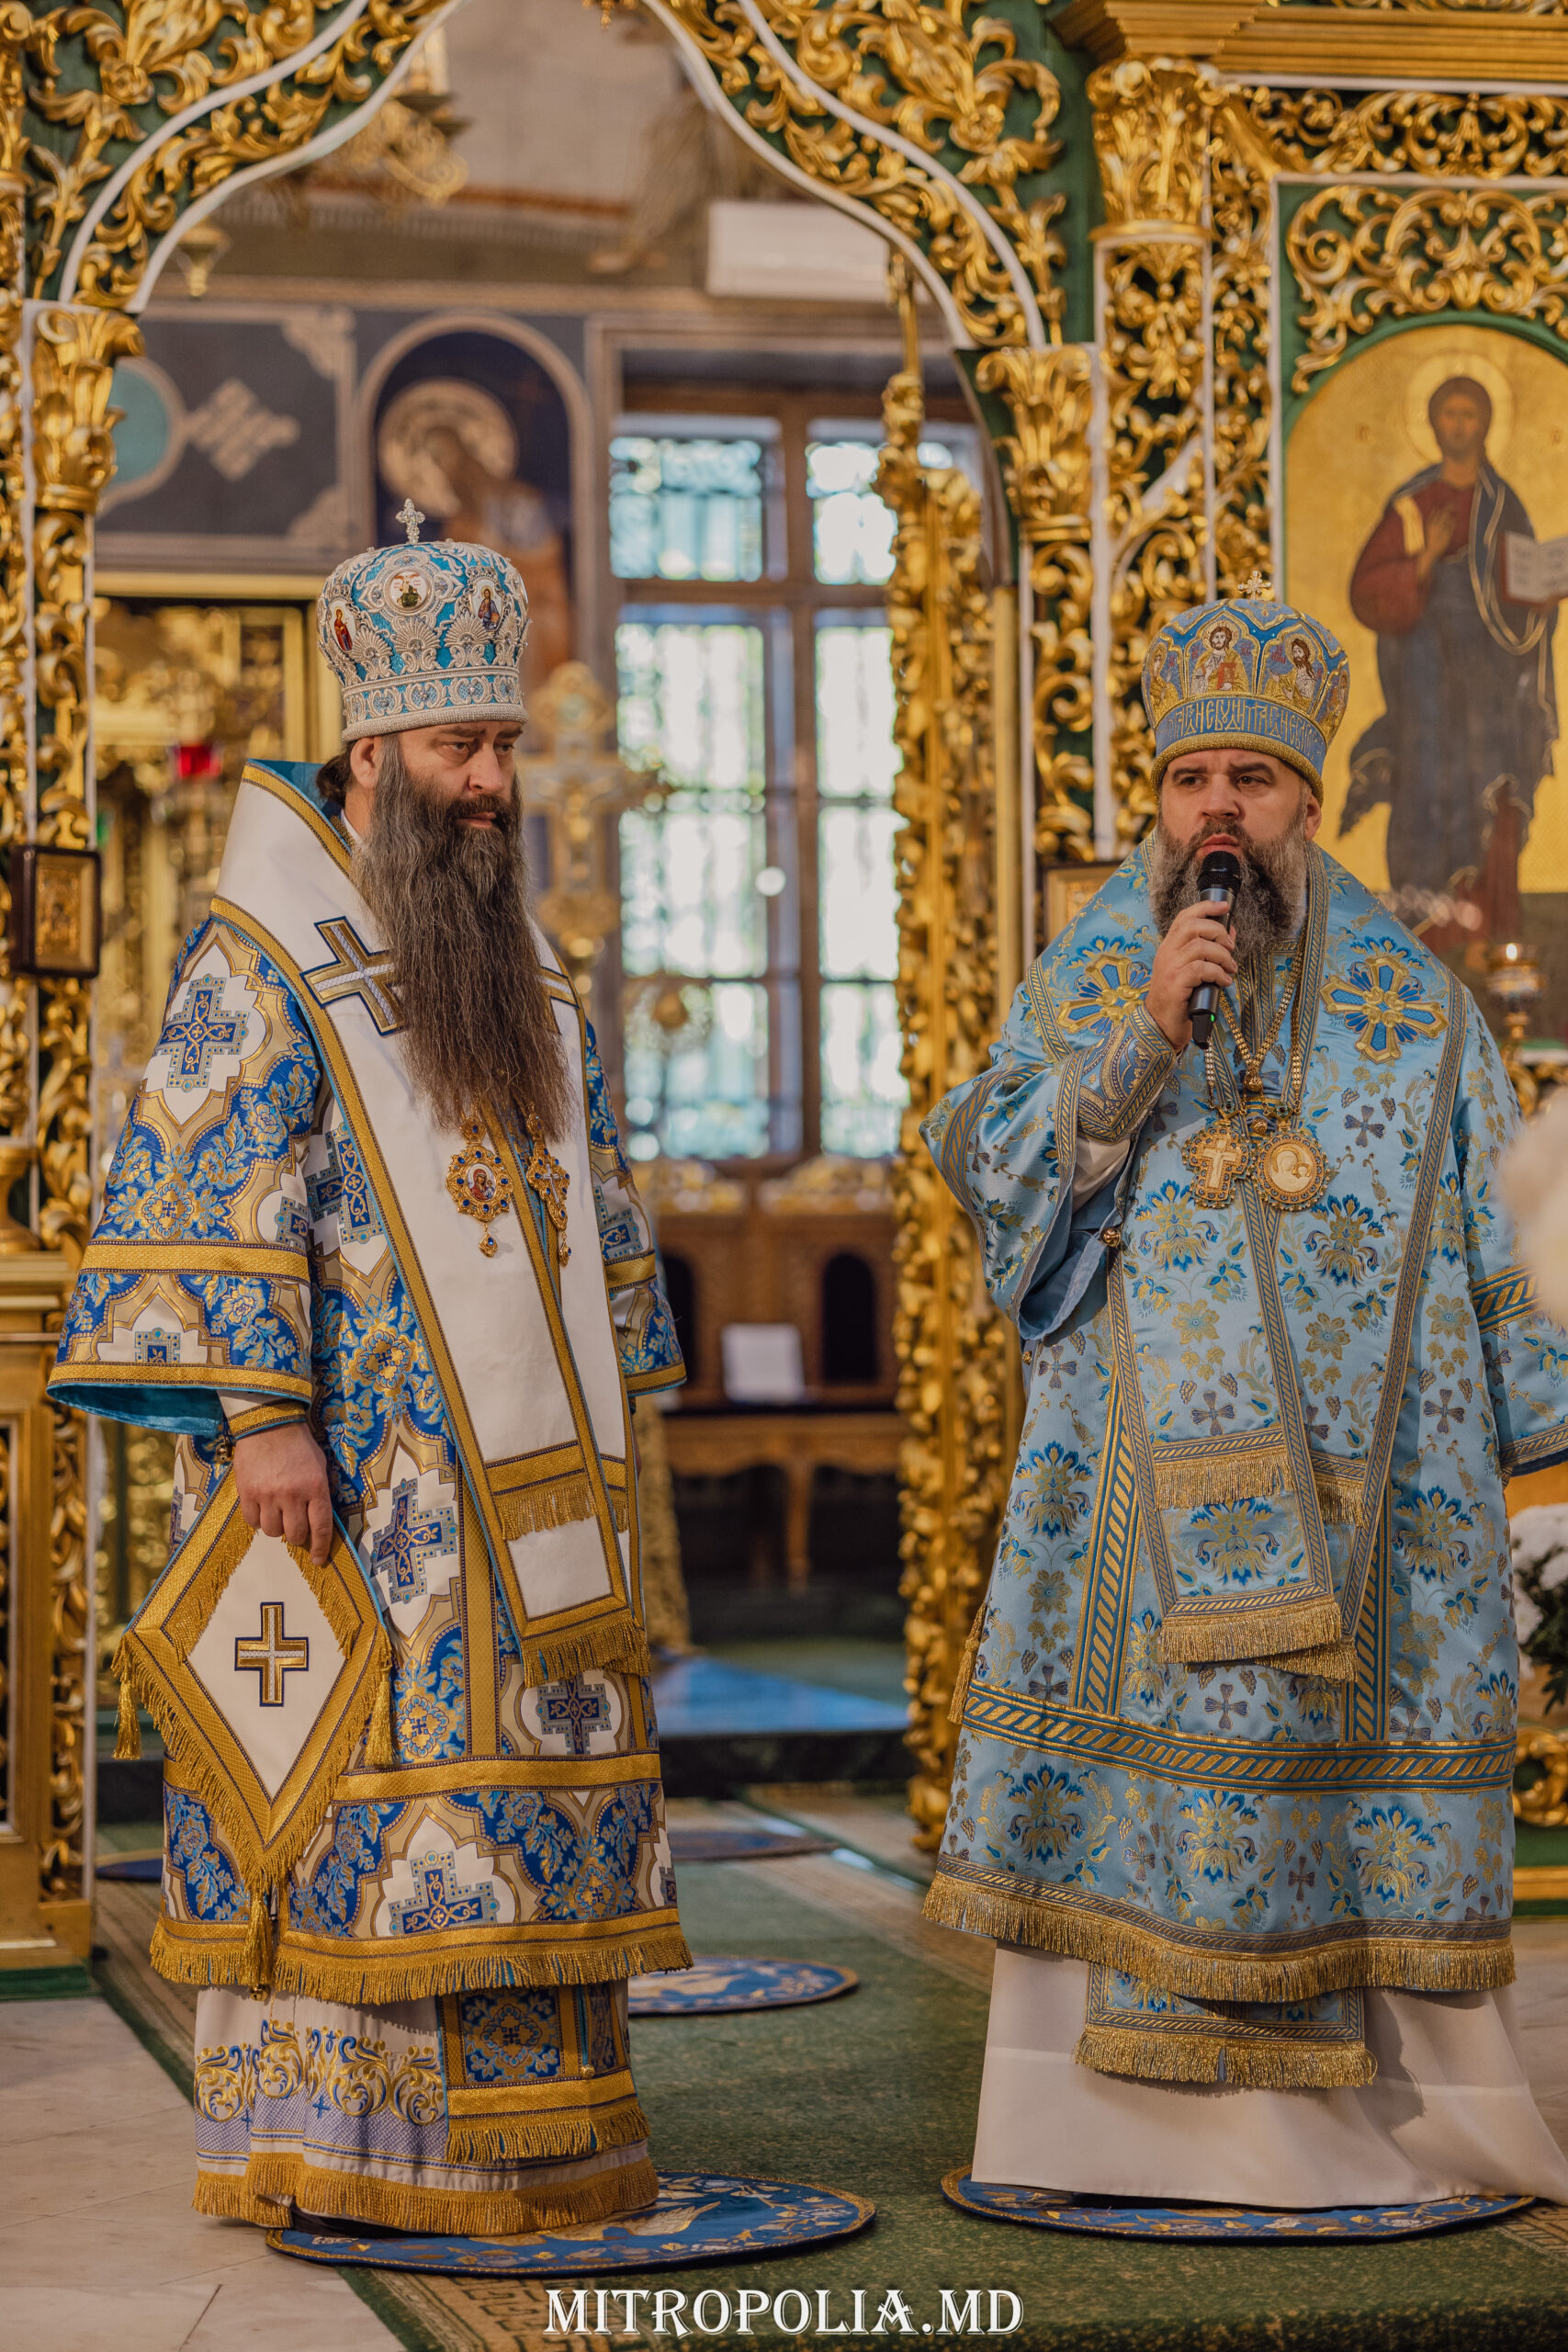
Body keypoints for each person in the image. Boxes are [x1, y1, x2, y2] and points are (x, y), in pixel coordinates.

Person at [51, 511, 688, 2233]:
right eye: (459, 746)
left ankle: (547, 2139)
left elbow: (587, 1194)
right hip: (363, 1487)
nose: (490, 781)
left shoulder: (518, 961)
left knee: (530, 1776)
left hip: (530, 1502)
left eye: (501, 746)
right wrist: (263, 1419)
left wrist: (619, 1389)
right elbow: (207, 1179)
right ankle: (360, 2147)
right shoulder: (266, 952)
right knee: (362, 1805)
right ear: (373, 753)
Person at [924, 581, 1568, 2207]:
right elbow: (982, 1161)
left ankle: (1383, 2124)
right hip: (1133, 1520)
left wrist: (1544, 1453)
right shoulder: (1091, 978)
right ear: (1159, 800)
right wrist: (1139, 1039)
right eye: (1190, 778)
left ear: (1305, 799)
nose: (1218, 810)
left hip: (1370, 1532)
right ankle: (1096, 2129)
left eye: (1253, 780)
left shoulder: (1418, 1011)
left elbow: (1508, 1242)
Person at [1346, 374, 1557, 945]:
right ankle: (1424, 926)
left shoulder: (1502, 504)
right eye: (1450, 414)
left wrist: (1540, 600)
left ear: (1485, 424)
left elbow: (1519, 592)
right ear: (1434, 424)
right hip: (1425, 678)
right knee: (1426, 780)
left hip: (1488, 680)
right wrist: (1426, 559)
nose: (1459, 425)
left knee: (1490, 784)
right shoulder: (1412, 504)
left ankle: (1490, 930)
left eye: (1470, 415)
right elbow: (1367, 591)